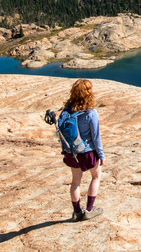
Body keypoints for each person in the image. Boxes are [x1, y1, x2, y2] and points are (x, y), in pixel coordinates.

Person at [60, 79, 105, 222]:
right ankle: (90, 210)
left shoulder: (67, 110)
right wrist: (101, 154)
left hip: (72, 152)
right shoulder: (91, 113)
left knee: (75, 182)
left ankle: (77, 212)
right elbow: (96, 136)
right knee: (96, 177)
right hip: (88, 152)